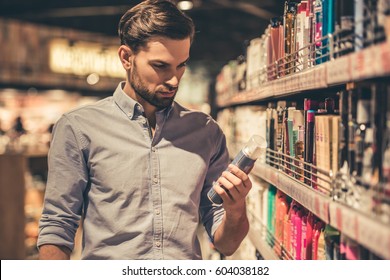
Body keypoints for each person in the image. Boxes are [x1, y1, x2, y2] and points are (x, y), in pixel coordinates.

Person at [38, 0, 252, 260]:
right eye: (160, 66)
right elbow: (57, 226)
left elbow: (226, 245)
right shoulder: (78, 127)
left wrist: (236, 209)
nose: (174, 80)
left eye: (181, 65)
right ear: (126, 58)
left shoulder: (206, 132)